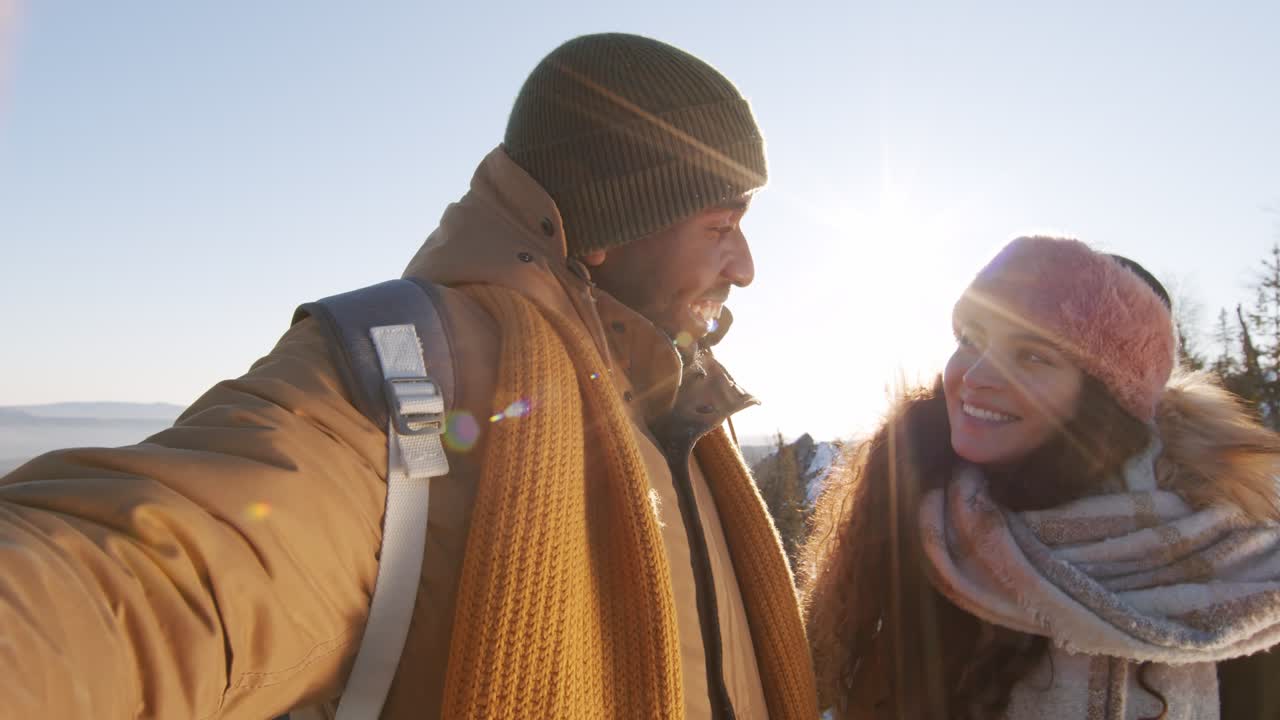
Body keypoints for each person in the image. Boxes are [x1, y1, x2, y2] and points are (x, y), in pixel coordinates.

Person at [0, 33, 817, 720]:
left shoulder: (687, 414)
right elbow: (156, 580)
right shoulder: (410, 373)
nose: (744, 267)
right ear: (609, 229)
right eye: (720, 226)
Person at [802, 235, 1280, 719]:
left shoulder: (1238, 565)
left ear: (1103, 400)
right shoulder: (920, 525)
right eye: (971, 340)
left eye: (1032, 355)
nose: (977, 375)